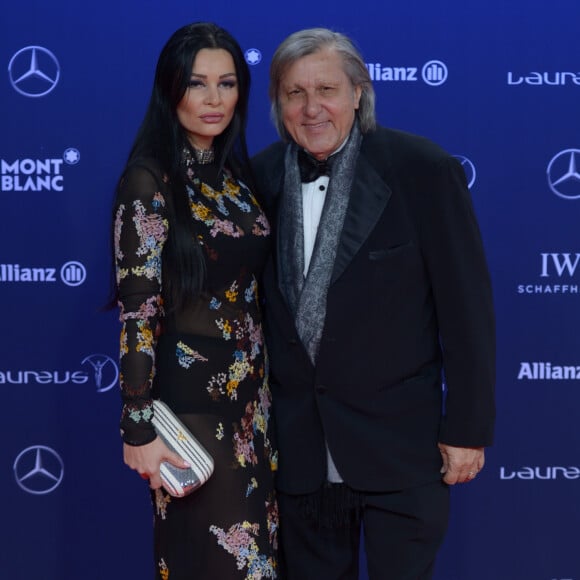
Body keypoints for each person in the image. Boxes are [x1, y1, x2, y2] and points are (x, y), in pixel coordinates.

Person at [252, 28, 495, 579]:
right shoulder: (259, 177)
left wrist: (467, 428)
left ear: (359, 93)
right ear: (279, 103)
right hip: (299, 453)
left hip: (401, 451)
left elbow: (467, 310)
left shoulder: (422, 170)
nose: (313, 108)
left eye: (327, 89)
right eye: (295, 93)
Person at [112, 22, 278, 579]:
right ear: (169, 89)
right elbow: (138, 312)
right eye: (197, 83)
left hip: (252, 412)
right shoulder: (149, 179)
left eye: (227, 84)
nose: (214, 100)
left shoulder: (233, 175)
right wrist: (137, 430)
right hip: (191, 419)